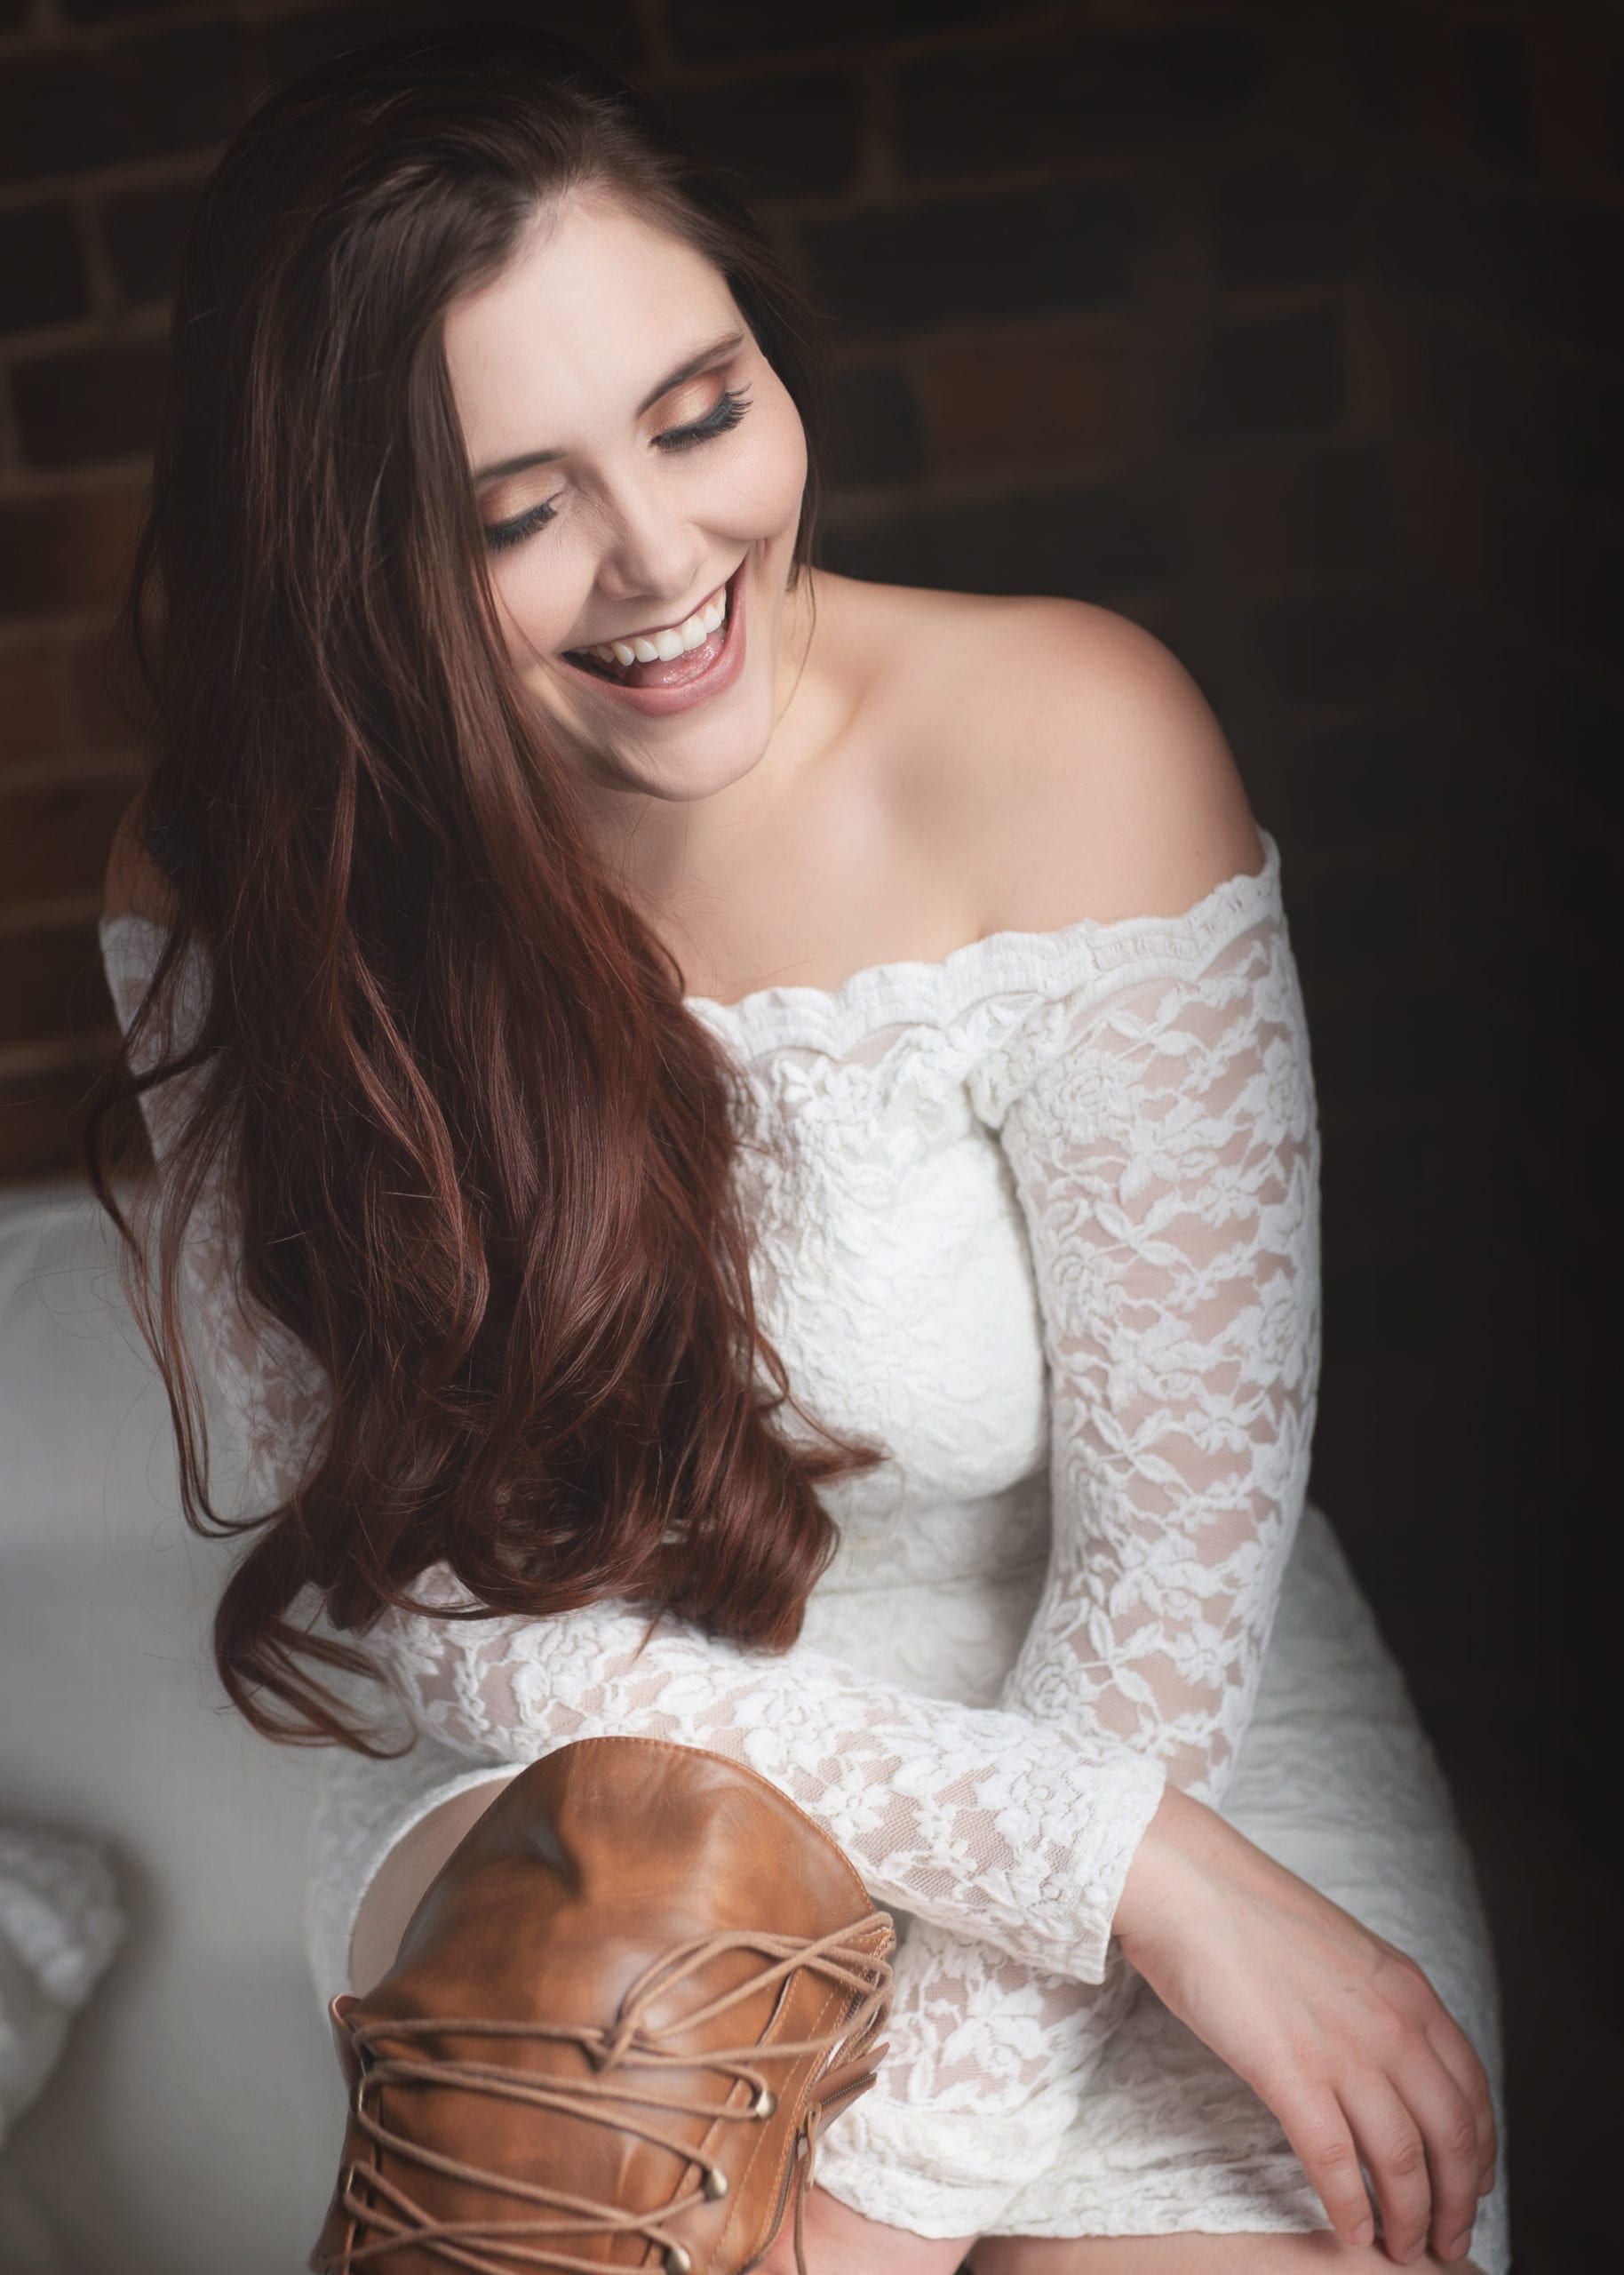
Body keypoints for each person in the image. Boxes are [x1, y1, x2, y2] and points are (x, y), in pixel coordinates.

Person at [89, 25, 1507, 2275]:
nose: (665, 561)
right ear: (345, 557)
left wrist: (888, 2191)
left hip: (1161, 1717)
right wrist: (1114, 1861)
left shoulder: (1071, 738)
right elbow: (455, 1629)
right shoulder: (237, 879)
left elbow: (1160, 1594)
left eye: (700, 412)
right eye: (511, 508)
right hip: (594, 1794)